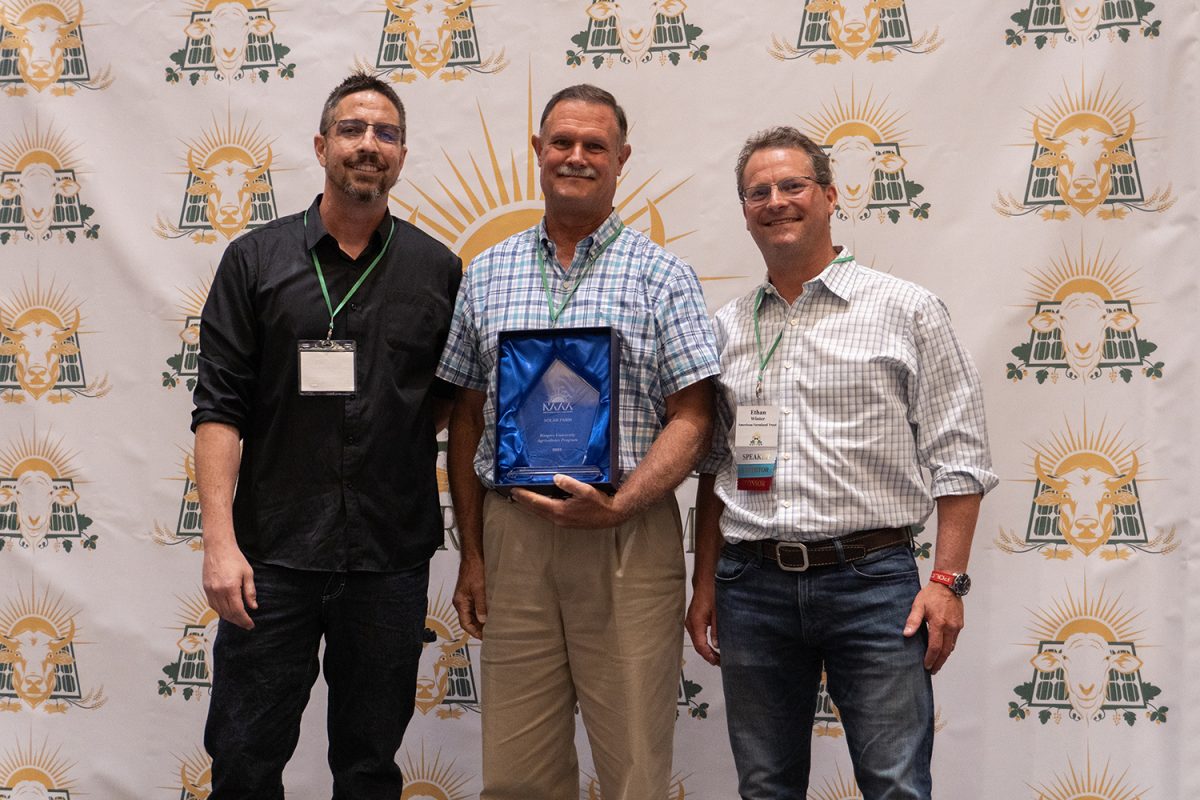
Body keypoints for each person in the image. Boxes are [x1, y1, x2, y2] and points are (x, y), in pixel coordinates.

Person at [686, 126, 998, 800]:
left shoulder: (908, 310)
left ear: (830, 196)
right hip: (750, 585)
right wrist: (704, 581)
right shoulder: (726, 328)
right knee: (765, 788)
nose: (776, 201)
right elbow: (715, 470)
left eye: (792, 185)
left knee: (895, 786)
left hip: (874, 585)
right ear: (745, 212)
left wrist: (947, 580)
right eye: (758, 192)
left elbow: (961, 456)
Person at [436, 84, 719, 800]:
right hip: (514, 535)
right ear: (537, 151)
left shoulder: (664, 276)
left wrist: (621, 504)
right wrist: (473, 553)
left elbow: (693, 416)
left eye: (596, 145)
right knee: (516, 771)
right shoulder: (485, 273)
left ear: (622, 159)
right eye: (561, 142)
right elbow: (466, 417)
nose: (576, 156)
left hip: (628, 532)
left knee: (634, 767)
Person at [191, 72, 462, 799]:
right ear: (321, 146)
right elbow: (218, 410)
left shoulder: (437, 270)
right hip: (271, 557)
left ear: (401, 154)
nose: (369, 144)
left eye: (386, 133)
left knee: (369, 767)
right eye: (352, 129)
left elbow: (439, 403)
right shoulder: (255, 261)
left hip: (388, 559)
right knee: (245, 762)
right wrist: (219, 544)